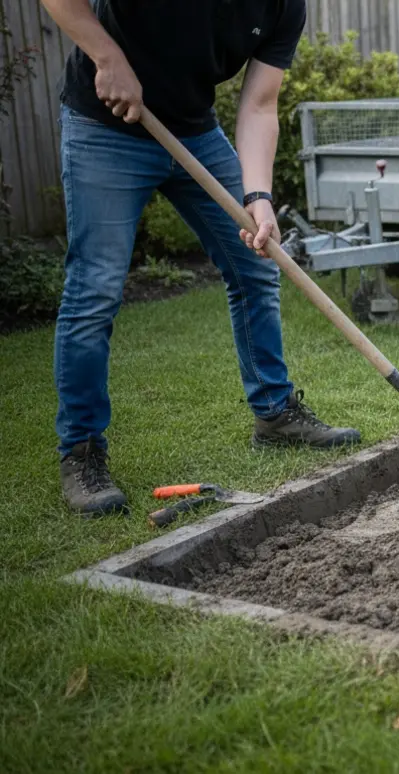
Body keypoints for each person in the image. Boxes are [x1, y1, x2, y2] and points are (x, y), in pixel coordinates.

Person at [43, 0, 361, 517]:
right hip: (105, 128)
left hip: (192, 131)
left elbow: (259, 106)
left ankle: (275, 415)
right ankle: (81, 451)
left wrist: (257, 197)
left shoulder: (284, 7)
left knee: (256, 259)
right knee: (96, 290)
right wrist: (105, 55)